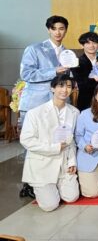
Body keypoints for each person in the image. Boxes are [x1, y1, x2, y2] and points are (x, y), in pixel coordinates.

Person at [19, 15, 70, 198]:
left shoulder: (67, 53)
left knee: (53, 141)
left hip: (58, 104)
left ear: (66, 30)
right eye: (54, 28)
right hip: (36, 103)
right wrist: (53, 71)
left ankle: (49, 179)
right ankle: (28, 184)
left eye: (61, 28)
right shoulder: (35, 49)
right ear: (49, 30)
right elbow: (26, 73)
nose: (58, 32)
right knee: (33, 143)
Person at [19, 74, 80, 211]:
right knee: (50, 205)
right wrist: (54, 148)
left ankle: (57, 185)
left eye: (68, 86)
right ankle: (39, 187)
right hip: (43, 164)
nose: (64, 90)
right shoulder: (35, 113)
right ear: (52, 88)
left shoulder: (74, 112)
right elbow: (26, 140)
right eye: (60, 86)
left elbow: (73, 140)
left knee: (72, 197)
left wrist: (72, 162)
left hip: (63, 163)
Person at [71, 31, 98, 111]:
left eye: (94, 43)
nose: (91, 46)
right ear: (82, 45)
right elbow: (82, 83)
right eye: (88, 43)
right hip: (86, 100)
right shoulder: (76, 62)